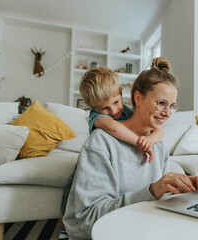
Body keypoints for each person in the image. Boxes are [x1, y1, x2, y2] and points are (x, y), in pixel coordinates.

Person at [63, 57, 198, 239]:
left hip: (147, 230)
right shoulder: (101, 141)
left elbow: (158, 201)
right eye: (161, 103)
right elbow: (83, 221)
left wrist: (183, 190)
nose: (167, 113)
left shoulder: (158, 143)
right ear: (138, 98)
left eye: (172, 106)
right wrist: (151, 191)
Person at [59, 67, 164, 239]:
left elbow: (160, 131)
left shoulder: (128, 110)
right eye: (105, 108)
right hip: (89, 164)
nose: (114, 111)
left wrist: (151, 140)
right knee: (72, 192)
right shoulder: (97, 117)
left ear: (121, 94)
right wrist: (139, 142)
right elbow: (113, 128)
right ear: (93, 108)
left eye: (116, 102)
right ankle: (65, 224)